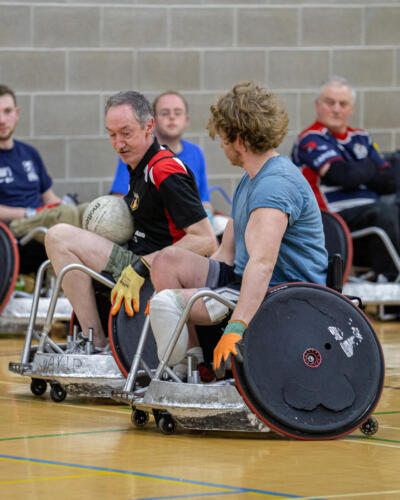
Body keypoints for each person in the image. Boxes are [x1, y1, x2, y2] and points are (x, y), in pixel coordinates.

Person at [147, 81, 328, 378]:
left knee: (167, 304)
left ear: (239, 140)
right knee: (167, 261)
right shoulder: (250, 178)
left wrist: (235, 326)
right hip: (244, 281)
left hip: (285, 294)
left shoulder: (274, 186)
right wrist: (178, 289)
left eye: (223, 137)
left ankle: (183, 369)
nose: (220, 144)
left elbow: (262, 265)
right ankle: (196, 362)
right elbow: (225, 254)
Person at [45, 90, 217, 353]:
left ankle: (95, 341)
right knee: (65, 232)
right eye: (112, 134)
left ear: (149, 126)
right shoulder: (138, 165)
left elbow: (204, 238)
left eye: (126, 133)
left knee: (58, 237)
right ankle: (93, 338)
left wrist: (142, 266)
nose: (118, 143)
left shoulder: (164, 169)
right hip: (136, 260)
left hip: (153, 274)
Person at [291, 75, 400, 281]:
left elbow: (390, 182)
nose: (336, 109)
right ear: (318, 105)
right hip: (333, 223)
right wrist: (369, 166)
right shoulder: (310, 138)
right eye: (330, 102)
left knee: (390, 209)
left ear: (351, 109)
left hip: (372, 220)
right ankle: (390, 278)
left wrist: (356, 172)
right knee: (384, 211)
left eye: (343, 104)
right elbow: (340, 175)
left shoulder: (361, 137)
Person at [0, 84, 80, 272]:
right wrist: (29, 213)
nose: (2, 119)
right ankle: (61, 283)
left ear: (17, 113)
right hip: (12, 232)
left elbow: (49, 198)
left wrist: (65, 205)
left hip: (41, 220)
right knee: (66, 216)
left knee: (91, 212)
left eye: (7, 111)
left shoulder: (29, 153)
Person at [110, 91, 214, 221]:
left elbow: (204, 201)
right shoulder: (136, 151)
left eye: (177, 113)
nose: (172, 117)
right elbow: (119, 198)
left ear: (186, 120)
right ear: (152, 121)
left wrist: (206, 216)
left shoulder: (196, 152)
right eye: (165, 113)